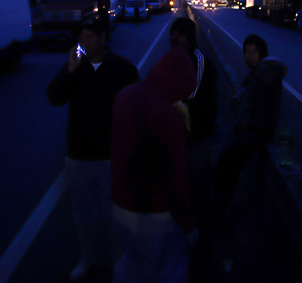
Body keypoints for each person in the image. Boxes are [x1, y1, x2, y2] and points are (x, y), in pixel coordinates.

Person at [46, 17, 140, 282]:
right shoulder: (75, 67)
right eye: (81, 38)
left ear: (102, 38)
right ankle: (86, 259)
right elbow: (54, 97)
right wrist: (69, 70)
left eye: (89, 37)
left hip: (112, 155)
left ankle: (119, 261)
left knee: (116, 214)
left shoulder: (122, 68)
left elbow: (136, 108)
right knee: (83, 213)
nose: (84, 43)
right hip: (79, 155)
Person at [110, 47, 197, 283]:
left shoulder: (124, 95)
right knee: (168, 271)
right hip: (154, 212)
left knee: (132, 265)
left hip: (120, 204)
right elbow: (175, 178)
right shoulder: (168, 116)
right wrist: (187, 224)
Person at [211, 33, 287, 220]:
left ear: (262, 52)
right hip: (255, 127)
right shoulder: (258, 70)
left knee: (226, 160)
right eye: (247, 52)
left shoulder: (266, 70)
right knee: (231, 162)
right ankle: (222, 205)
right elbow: (243, 90)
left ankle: (220, 208)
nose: (251, 56)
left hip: (261, 129)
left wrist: (240, 112)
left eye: (254, 52)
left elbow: (250, 98)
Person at [168, 17, 218, 226]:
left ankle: (202, 233)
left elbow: (189, 96)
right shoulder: (174, 59)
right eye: (172, 35)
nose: (174, 39)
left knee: (198, 191)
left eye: (179, 35)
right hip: (180, 139)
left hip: (198, 138)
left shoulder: (199, 60)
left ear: (189, 37)